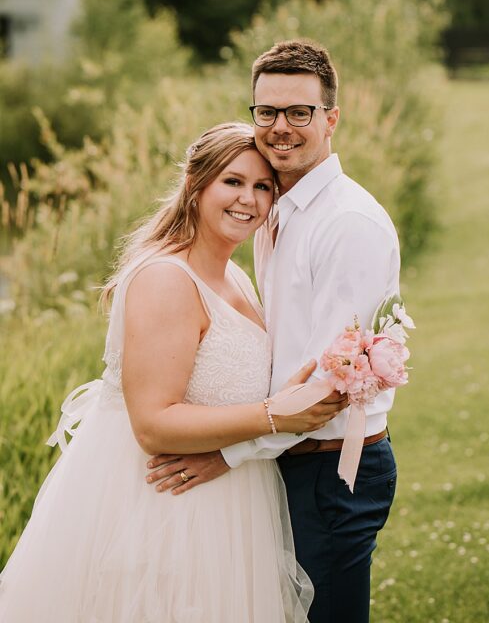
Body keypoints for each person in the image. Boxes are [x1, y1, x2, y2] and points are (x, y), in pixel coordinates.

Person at [0, 122, 344, 621]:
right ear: (195, 184)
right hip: (164, 509)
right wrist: (275, 416)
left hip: (231, 500)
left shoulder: (236, 276)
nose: (248, 199)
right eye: (232, 181)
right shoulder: (166, 278)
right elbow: (152, 424)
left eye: (262, 186)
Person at [146, 40, 402, 623]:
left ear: (331, 118)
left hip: (330, 471)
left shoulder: (348, 224)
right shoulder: (272, 208)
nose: (281, 127)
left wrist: (228, 454)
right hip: (287, 458)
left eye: (299, 113)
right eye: (267, 112)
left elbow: (330, 386)